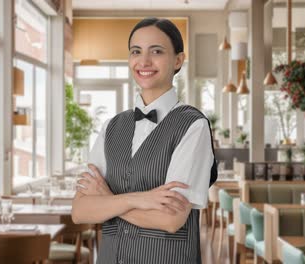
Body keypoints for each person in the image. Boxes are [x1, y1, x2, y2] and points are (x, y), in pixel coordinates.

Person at [71, 17, 217, 264]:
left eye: (157, 51)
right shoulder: (111, 127)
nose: (144, 61)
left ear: (178, 60)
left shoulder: (193, 126)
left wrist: (107, 200)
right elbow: (79, 211)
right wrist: (137, 199)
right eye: (136, 51)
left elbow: (171, 220)